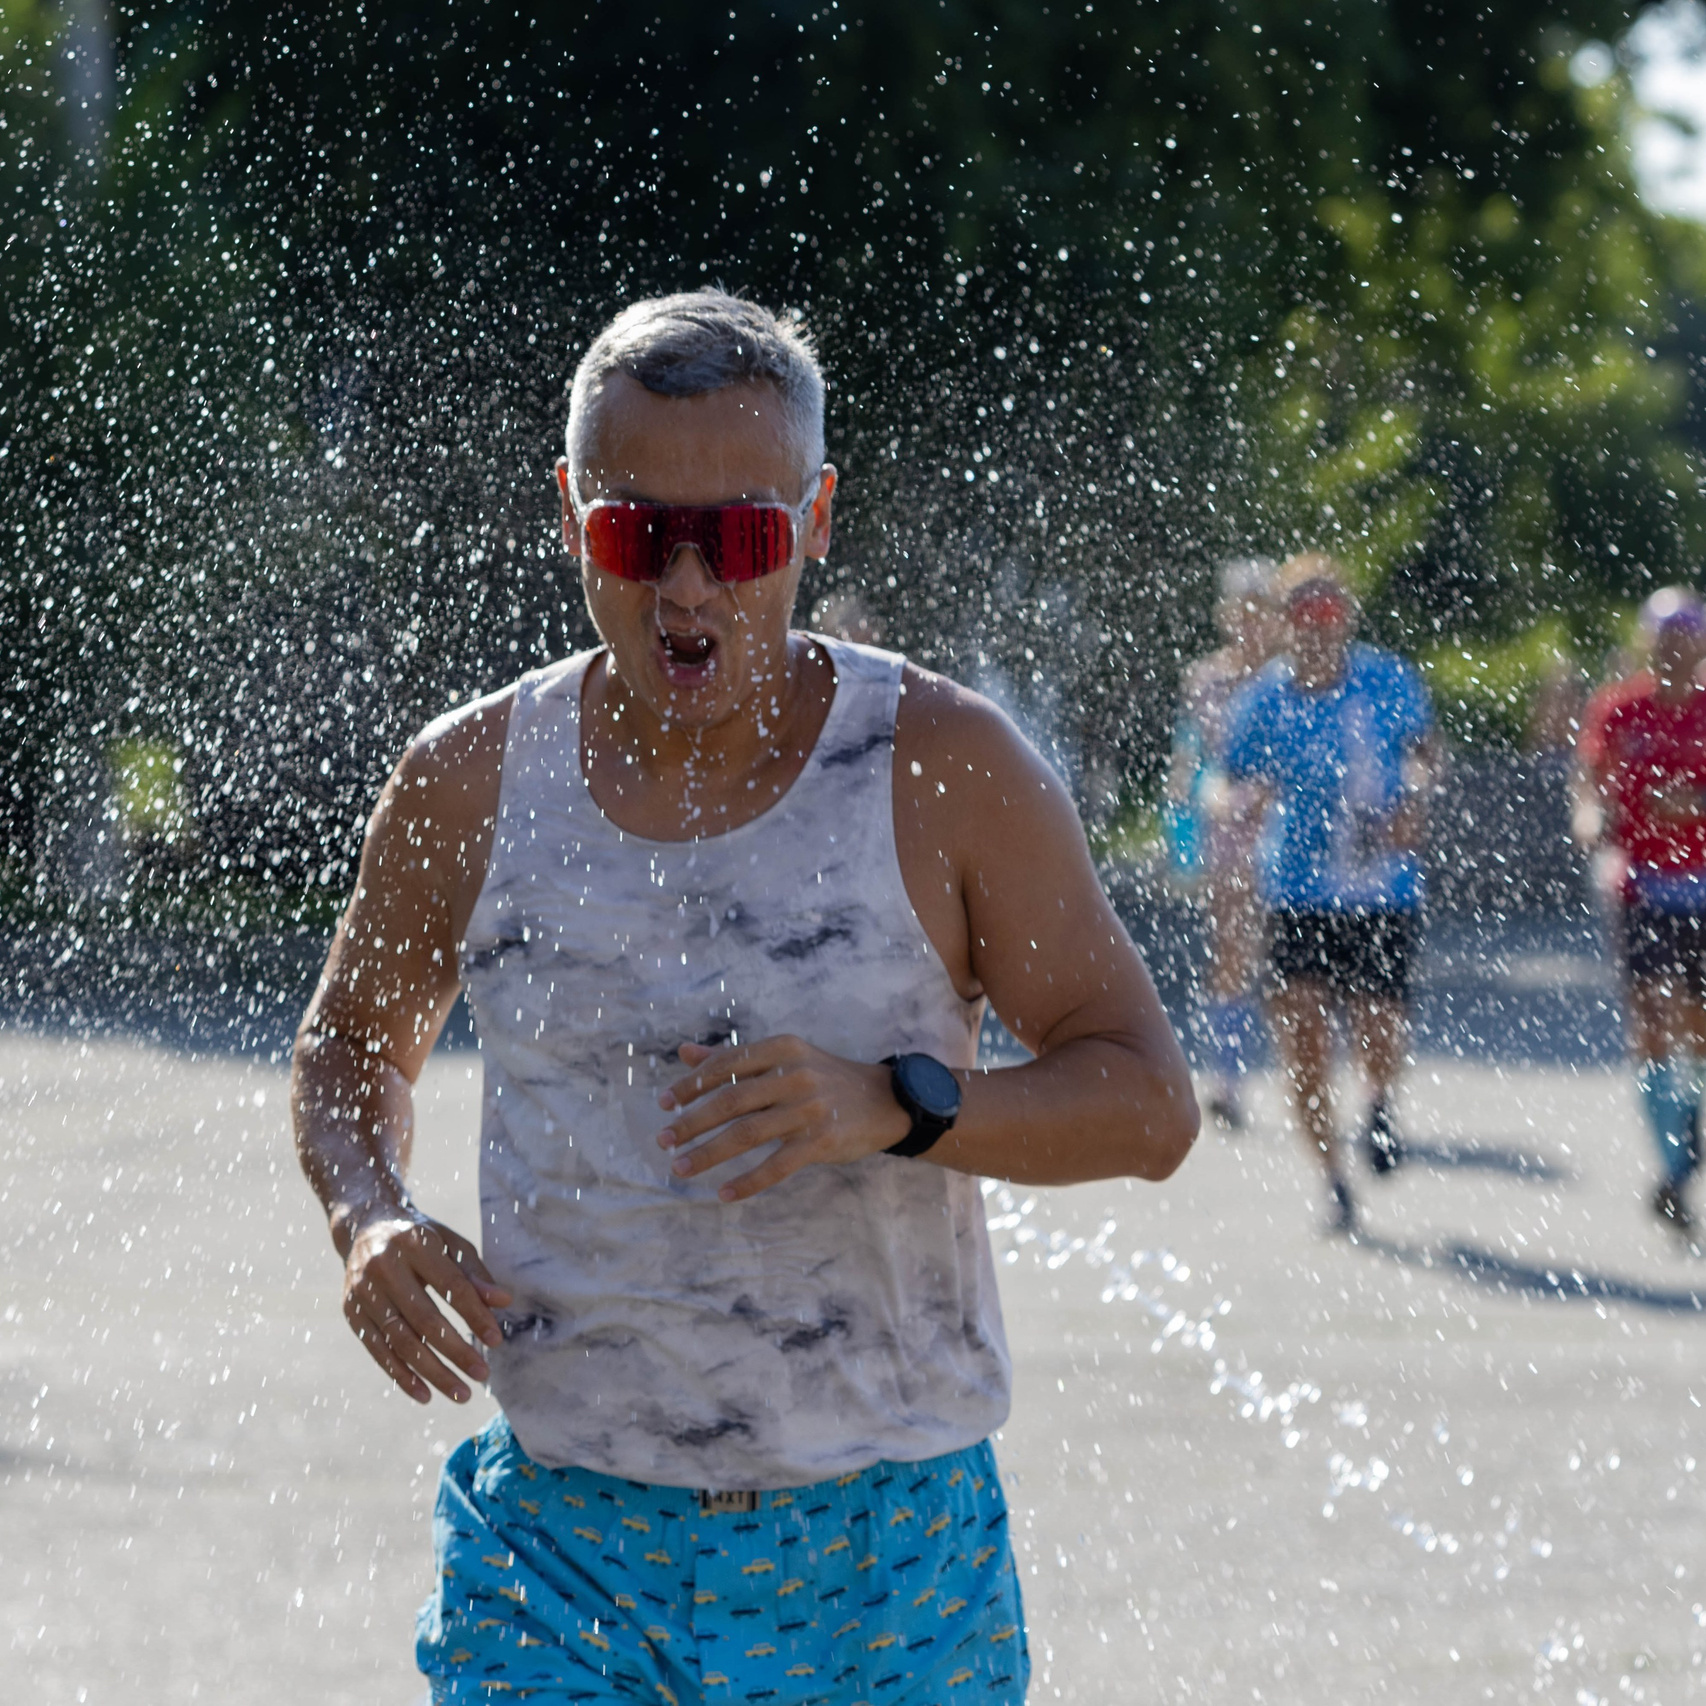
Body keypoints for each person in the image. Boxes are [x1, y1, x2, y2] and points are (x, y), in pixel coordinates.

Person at [291, 288, 1198, 1703]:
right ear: (569, 514)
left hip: (886, 1558)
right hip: (561, 1553)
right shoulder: (466, 780)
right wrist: (368, 1213)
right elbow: (350, 1039)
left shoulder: (942, 767)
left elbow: (1146, 1103)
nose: (687, 587)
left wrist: (894, 1105)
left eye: (741, 538)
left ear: (815, 520)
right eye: (635, 533)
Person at [1222, 555, 1438, 1234]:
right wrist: (1238, 802)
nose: (1317, 624)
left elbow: (1425, 752)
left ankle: (1377, 1102)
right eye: (1303, 611)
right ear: (1282, 622)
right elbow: (1228, 776)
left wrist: (1416, 798)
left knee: (1378, 1025)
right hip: (1295, 887)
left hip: (1380, 889)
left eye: (1329, 610)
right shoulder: (1263, 699)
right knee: (1303, 1043)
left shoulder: (1387, 679)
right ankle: (1333, 1178)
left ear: (1346, 618)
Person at [1576, 589, 1706, 1239]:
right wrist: (1589, 818)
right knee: (1651, 1021)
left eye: (1686, 638)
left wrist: (1695, 803)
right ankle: (1675, 1168)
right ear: (1647, 645)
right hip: (1642, 886)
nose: (1675, 651)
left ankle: (1689, 1122)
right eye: (1664, 640)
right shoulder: (1619, 707)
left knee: (1697, 1026)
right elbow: (1590, 780)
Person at [1165, 556, 1279, 1127]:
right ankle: (1227, 1077)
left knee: (1290, 958)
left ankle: (1302, 1072)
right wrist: (1187, 820)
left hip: (1290, 831)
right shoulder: (1208, 679)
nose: (1252, 623)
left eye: (1262, 612)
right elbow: (1191, 758)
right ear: (1228, 616)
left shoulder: (1289, 679)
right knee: (1232, 948)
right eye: (1244, 612)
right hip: (1230, 829)